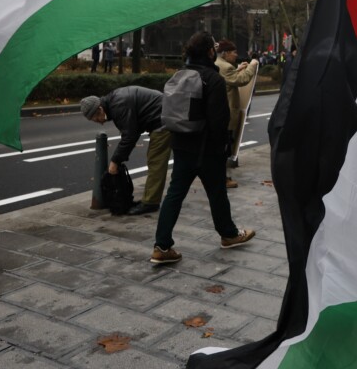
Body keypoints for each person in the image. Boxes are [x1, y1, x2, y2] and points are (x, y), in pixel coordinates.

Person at [151, 32, 255, 264]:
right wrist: (224, 149)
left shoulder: (180, 75)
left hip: (181, 145)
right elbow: (219, 120)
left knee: (174, 195)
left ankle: (161, 246)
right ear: (210, 52)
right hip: (207, 148)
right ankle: (228, 234)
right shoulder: (213, 79)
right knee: (217, 193)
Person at [80, 86, 170, 215]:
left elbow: (129, 136)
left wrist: (115, 161)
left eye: (96, 118)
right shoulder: (114, 102)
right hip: (164, 114)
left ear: (100, 109)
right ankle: (157, 199)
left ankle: (151, 203)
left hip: (163, 120)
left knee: (156, 161)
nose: (99, 122)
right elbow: (131, 130)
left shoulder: (118, 105)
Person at [215, 39, 259, 189]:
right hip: (226, 114)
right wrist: (252, 65)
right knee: (225, 148)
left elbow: (230, 78)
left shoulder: (219, 64)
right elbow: (242, 80)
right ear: (226, 53)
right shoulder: (226, 66)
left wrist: (238, 68)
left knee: (221, 147)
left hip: (218, 114)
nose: (236, 55)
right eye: (234, 52)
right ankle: (223, 179)